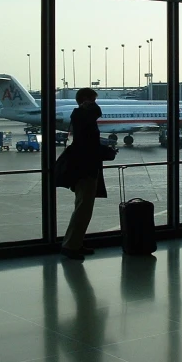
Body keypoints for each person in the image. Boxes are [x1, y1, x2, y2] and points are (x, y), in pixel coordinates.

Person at [60, 88, 107, 260]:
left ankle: (76, 243)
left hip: (86, 167)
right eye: (93, 100)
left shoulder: (81, 117)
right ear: (85, 101)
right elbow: (87, 144)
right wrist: (104, 152)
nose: (96, 104)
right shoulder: (83, 117)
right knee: (83, 209)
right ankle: (70, 246)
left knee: (83, 209)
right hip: (85, 169)